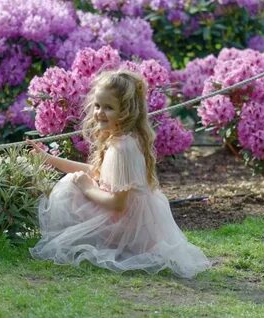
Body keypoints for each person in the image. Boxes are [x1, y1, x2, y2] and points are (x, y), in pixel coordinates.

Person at [26, 70, 210, 278]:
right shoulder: (122, 139)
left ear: (126, 112)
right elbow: (96, 173)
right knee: (75, 181)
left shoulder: (122, 148)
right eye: (97, 105)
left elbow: (118, 204)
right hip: (132, 223)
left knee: (71, 188)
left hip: (128, 229)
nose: (99, 113)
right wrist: (49, 159)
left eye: (109, 107)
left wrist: (86, 187)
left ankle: (105, 241)